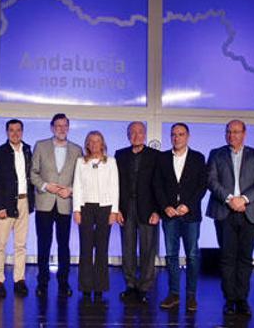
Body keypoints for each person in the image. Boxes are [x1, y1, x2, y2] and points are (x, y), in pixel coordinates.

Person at [206, 119, 254, 316]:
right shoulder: (216, 154)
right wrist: (230, 199)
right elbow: (211, 180)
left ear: (244, 133)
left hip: (249, 212)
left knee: (245, 258)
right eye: (228, 132)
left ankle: (242, 299)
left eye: (236, 132)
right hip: (225, 211)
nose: (231, 135)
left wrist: (244, 199)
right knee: (227, 257)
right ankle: (230, 299)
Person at [154, 123, 208, 311]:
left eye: (181, 134)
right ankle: (174, 294)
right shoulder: (161, 158)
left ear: (188, 136)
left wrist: (188, 205)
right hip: (169, 215)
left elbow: (202, 185)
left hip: (191, 215)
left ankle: (191, 295)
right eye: (173, 135)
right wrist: (165, 206)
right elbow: (157, 185)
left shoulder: (198, 158)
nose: (177, 138)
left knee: (192, 255)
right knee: (171, 255)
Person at [30, 113, 83, 298]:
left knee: (64, 245)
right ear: (52, 128)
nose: (61, 129)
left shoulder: (77, 150)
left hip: (65, 203)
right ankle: (42, 282)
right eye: (58, 126)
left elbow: (81, 178)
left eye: (65, 125)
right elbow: (33, 173)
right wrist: (46, 186)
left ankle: (63, 282)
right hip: (44, 202)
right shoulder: (40, 146)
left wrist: (70, 190)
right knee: (43, 244)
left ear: (68, 127)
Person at [72, 131, 119, 302]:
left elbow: (115, 187)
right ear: (87, 144)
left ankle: (99, 287)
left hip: (105, 208)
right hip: (85, 207)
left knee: (101, 249)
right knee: (85, 248)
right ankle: (85, 287)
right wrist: (76, 210)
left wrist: (114, 211)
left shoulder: (111, 162)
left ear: (102, 144)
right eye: (91, 141)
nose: (94, 144)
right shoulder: (80, 162)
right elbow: (77, 186)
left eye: (97, 141)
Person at [115, 121, 160, 304]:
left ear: (145, 134)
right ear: (128, 135)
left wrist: (158, 210)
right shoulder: (120, 155)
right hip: (126, 207)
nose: (136, 135)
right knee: (128, 248)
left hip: (148, 208)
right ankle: (131, 285)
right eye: (132, 132)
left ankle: (144, 288)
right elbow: (114, 183)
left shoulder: (156, 156)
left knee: (148, 249)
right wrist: (116, 208)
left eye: (140, 132)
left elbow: (159, 185)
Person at [0, 119, 35, 298]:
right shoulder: (0, 152)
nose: (15, 133)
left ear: (22, 132)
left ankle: (19, 280)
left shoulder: (28, 150)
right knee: (0, 245)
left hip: (24, 202)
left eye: (18, 130)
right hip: (5, 203)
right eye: (11, 130)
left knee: (21, 245)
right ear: (7, 132)